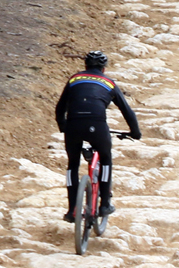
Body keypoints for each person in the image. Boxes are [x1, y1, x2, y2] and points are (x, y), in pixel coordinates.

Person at [55, 51, 140, 222]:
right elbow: (127, 111)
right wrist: (135, 133)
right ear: (104, 69)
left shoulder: (74, 79)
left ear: (85, 66)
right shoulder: (109, 83)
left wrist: (64, 127)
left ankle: (72, 210)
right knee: (106, 159)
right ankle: (105, 204)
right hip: (97, 125)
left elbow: (60, 108)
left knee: (73, 165)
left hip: (73, 124)